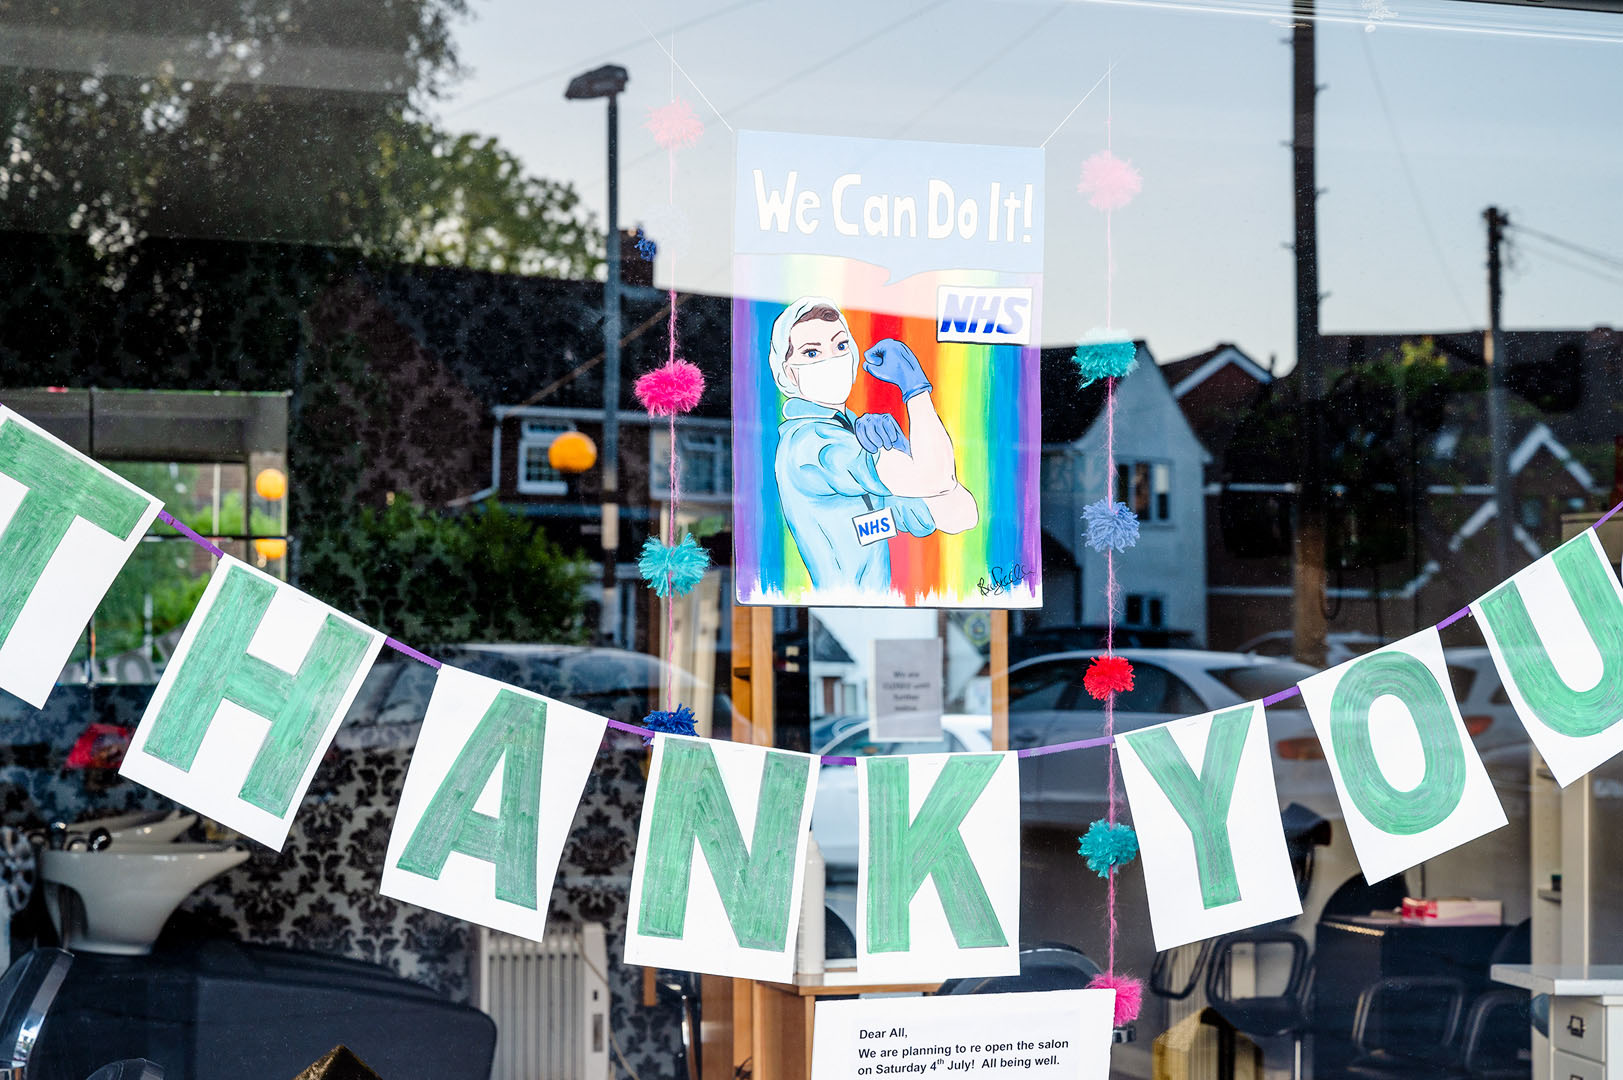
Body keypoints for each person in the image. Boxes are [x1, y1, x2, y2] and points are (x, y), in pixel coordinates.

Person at [769, 296, 978, 593]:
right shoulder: (810, 444)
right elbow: (936, 478)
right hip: (835, 615)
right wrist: (915, 391)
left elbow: (961, 515)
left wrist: (904, 455)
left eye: (840, 346)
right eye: (812, 353)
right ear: (788, 372)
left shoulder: (850, 434)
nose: (832, 360)